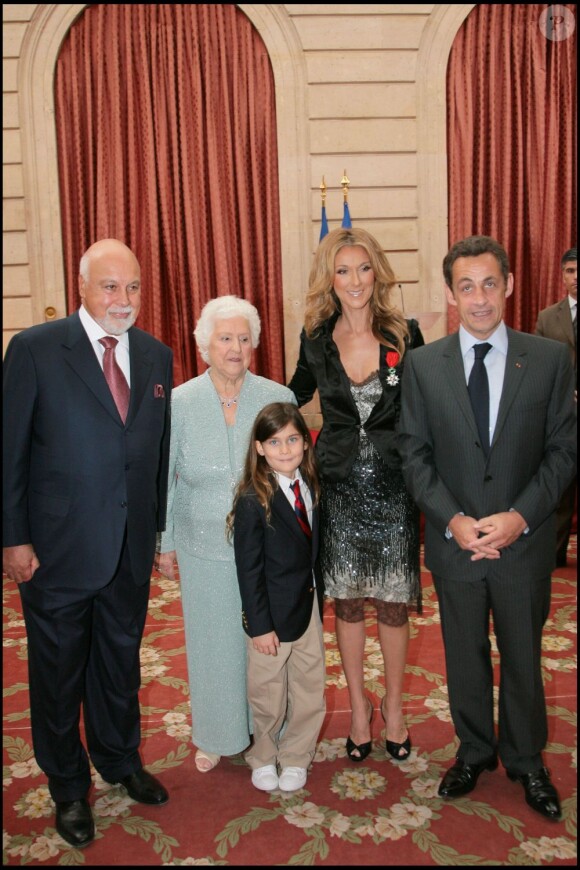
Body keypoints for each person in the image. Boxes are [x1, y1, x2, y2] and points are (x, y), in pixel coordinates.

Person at [398, 235, 576, 821]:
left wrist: (520, 516)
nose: (479, 299)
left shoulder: (549, 358)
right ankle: (474, 750)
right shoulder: (423, 365)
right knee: (463, 654)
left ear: (510, 285)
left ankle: (527, 760)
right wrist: (454, 519)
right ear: (450, 293)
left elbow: (563, 451)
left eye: (489, 284)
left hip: (523, 542)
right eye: (466, 286)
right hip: (456, 543)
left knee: (524, 655)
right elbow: (414, 455)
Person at [2, 239, 173, 849]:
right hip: (55, 550)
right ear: (82, 287)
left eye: (131, 287)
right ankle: (69, 787)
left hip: (128, 546)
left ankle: (119, 759)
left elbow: (155, 454)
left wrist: (155, 533)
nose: (121, 299)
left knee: (119, 663)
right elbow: (10, 452)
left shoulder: (157, 355)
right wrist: (12, 538)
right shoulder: (35, 350)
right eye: (109, 286)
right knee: (56, 673)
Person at [288, 227, 424, 764]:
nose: (354, 281)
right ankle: (358, 711)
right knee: (346, 603)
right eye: (342, 270)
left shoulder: (404, 334)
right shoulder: (315, 339)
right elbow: (289, 397)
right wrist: (230, 394)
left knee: (392, 604)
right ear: (330, 278)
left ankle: (392, 707)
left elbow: (431, 403)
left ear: (377, 273)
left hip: (394, 490)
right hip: (340, 489)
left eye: (363, 268)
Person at [156, 296, 295, 774]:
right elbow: (166, 478)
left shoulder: (277, 397)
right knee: (214, 644)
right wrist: (167, 541)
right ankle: (217, 734)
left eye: (243, 338)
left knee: (268, 645)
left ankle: (271, 732)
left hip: (267, 546)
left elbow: (294, 476)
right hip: (201, 547)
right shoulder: (180, 401)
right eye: (225, 338)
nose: (235, 347)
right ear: (204, 346)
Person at [228, 402, 326, 793]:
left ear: (305, 442)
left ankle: (298, 755)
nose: (285, 449)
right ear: (260, 447)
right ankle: (264, 754)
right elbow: (248, 570)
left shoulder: (313, 486)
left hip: (308, 607)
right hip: (270, 616)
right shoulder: (254, 499)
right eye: (275, 441)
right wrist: (259, 625)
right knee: (267, 693)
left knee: (309, 688)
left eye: (292, 439)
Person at [535, 247, 577, 566]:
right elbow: (539, 367)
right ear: (562, 275)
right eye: (570, 271)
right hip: (563, 416)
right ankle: (555, 553)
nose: (575, 277)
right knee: (561, 487)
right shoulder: (548, 317)